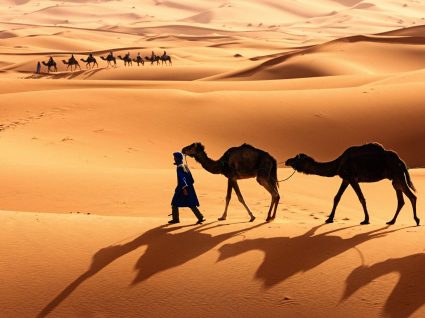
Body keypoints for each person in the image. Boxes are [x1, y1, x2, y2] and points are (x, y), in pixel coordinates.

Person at [169, 152, 205, 224]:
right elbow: (191, 179)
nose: (174, 159)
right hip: (189, 187)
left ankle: (176, 219)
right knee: (191, 203)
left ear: (177, 158)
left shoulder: (179, 167)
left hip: (182, 188)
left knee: (174, 202)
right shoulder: (185, 166)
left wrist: (184, 188)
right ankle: (200, 217)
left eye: (175, 157)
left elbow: (182, 178)